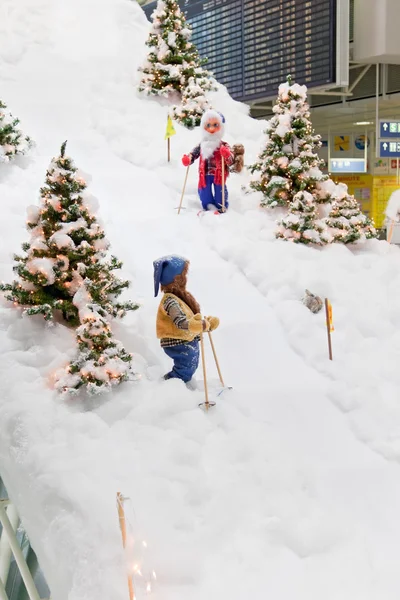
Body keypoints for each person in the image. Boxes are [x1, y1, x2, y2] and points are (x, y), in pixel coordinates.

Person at [153, 255, 219, 388]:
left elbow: (192, 318)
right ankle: (169, 386)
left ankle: (179, 386)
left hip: (186, 339)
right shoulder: (170, 300)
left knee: (191, 364)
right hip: (177, 341)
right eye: (183, 275)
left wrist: (206, 323)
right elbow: (181, 321)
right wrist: (196, 325)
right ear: (176, 279)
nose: (186, 279)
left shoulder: (181, 298)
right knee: (186, 366)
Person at [182, 109, 234, 213]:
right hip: (204, 175)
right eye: (208, 125)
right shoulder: (202, 144)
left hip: (219, 175)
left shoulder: (223, 145)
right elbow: (194, 153)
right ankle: (208, 207)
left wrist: (227, 154)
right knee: (204, 193)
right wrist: (189, 158)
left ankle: (221, 207)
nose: (211, 128)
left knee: (220, 193)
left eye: (215, 125)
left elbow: (231, 160)